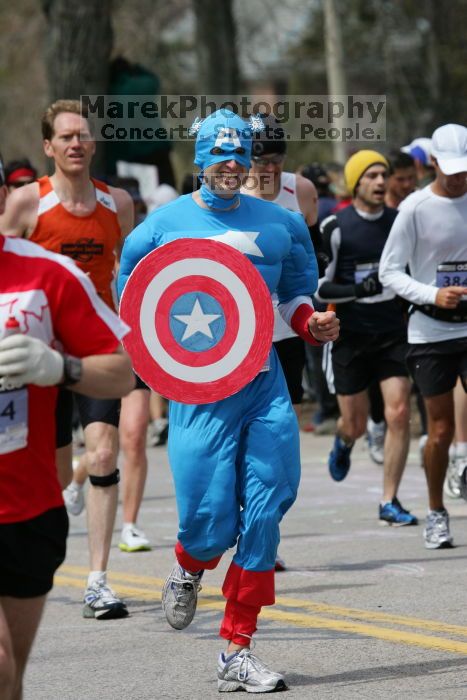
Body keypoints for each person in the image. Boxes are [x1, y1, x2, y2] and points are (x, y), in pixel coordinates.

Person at [118, 109, 339, 692]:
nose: (231, 166)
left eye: (240, 155)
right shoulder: (157, 228)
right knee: (210, 524)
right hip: (198, 392)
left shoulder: (281, 224)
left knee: (269, 504)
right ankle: (190, 566)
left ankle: (237, 648)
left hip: (263, 380)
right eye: (219, 155)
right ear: (198, 160)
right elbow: (133, 306)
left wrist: (310, 322)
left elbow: (294, 294)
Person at [0, 154, 135, 699]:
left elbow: (122, 371)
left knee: (13, 680)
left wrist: (62, 368)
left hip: (28, 507)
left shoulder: (49, 274)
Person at [317, 149, 417, 527]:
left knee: (399, 412)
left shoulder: (400, 221)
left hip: (393, 332)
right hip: (349, 336)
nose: (379, 182)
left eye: (383, 175)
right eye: (371, 176)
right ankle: (344, 442)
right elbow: (320, 289)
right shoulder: (336, 226)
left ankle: (389, 500)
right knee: (355, 424)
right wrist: (359, 289)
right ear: (356, 182)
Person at [379, 123, 467, 548]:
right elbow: (389, 271)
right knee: (440, 429)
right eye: (450, 169)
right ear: (432, 163)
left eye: (464, 170)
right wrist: (433, 293)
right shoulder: (414, 208)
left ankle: (460, 468)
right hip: (429, 331)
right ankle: (436, 511)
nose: (457, 177)